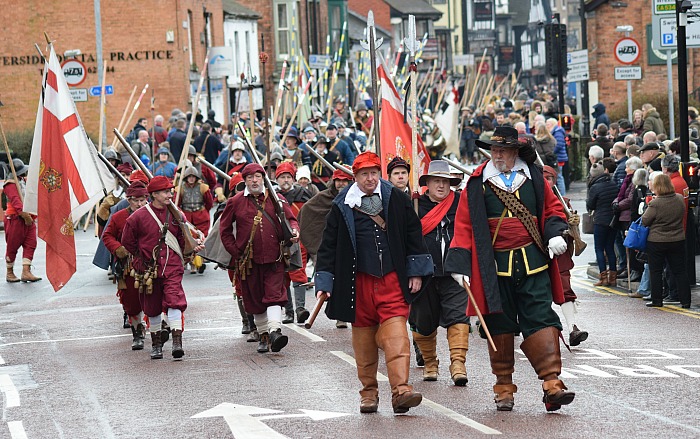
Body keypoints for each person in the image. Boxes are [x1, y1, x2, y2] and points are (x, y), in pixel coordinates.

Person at [444, 127, 575, 412]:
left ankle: (552, 383)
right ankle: (503, 387)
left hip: (534, 261)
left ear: (515, 152)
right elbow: (464, 225)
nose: (497, 154)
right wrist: (459, 263)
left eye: (503, 150)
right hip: (494, 267)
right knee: (499, 324)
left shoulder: (536, 178)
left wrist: (555, 233)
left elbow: (553, 210)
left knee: (541, 317)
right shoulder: (477, 183)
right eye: (494, 150)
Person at [315, 151, 433, 414]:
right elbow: (328, 245)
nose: (370, 179)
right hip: (357, 285)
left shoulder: (396, 199)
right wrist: (325, 279)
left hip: (392, 280)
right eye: (364, 174)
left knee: (397, 336)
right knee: (364, 344)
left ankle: (401, 391)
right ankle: (368, 394)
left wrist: (415, 270)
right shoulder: (341, 205)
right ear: (354, 177)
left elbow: (414, 234)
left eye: (373, 173)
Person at [219, 164, 300, 353]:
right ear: (245, 181)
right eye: (250, 177)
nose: (254, 180)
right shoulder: (235, 201)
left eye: (257, 176)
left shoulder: (276, 198)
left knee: (274, 295)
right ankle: (264, 336)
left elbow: (291, 220)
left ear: (263, 178)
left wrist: (294, 231)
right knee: (255, 299)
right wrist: (237, 252)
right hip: (248, 261)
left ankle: (275, 331)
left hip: (275, 258)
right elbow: (224, 230)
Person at [122, 176, 203, 360]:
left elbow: (183, 240)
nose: (170, 194)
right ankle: (156, 345)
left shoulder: (177, 214)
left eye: (170, 191)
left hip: (173, 266)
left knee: (175, 301)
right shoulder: (137, 217)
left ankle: (177, 343)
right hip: (148, 269)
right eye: (166, 192)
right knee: (151, 307)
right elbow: (127, 241)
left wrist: (192, 247)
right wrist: (142, 255)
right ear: (154, 194)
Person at [410, 160, 471, 385]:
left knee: (459, 317)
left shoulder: (461, 204)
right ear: (428, 183)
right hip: (424, 275)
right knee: (423, 322)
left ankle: (458, 364)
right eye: (436, 181)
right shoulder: (415, 206)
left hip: (455, 273)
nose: (441, 186)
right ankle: (429, 362)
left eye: (445, 182)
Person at [542, 166, 588, 346]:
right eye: (543, 178)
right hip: (536, 251)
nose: (547, 182)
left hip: (559, 254)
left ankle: (572, 328)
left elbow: (572, 236)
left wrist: (573, 227)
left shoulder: (564, 202)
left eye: (550, 178)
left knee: (565, 290)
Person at [102, 182, 150, 350]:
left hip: (151, 264)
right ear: (128, 200)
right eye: (135, 200)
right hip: (128, 266)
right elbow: (107, 236)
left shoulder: (154, 214)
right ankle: (137, 333)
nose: (139, 204)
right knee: (131, 301)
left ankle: (159, 332)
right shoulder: (118, 217)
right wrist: (118, 249)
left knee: (156, 298)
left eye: (142, 200)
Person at [642, 174, 691, 309]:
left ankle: (657, 300)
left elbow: (645, 221)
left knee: (656, 271)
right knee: (680, 271)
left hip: (657, 241)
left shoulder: (655, 203)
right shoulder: (679, 199)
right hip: (677, 239)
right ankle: (685, 301)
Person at [274, 162, 313, 324]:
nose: (285, 180)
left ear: (293, 178)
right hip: (279, 242)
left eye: (288, 177)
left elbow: (312, 217)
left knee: (298, 273)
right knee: (283, 277)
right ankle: (289, 312)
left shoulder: (303, 196)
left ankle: (300, 309)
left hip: (299, 241)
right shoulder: (272, 196)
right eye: (282, 177)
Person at [3, 159, 42, 283]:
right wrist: (25, 216)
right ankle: (9, 272)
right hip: (15, 219)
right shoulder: (9, 184)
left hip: (29, 217)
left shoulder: (23, 181)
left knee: (31, 243)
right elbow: (16, 202)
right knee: (12, 246)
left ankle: (26, 271)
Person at [586, 159, 619, 286]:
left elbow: (590, 204)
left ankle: (603, 278)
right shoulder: (613, 184)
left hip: (600, 221)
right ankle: (613, 278)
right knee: (610, 248)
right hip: (613, 220)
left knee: (599, 249)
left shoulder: (595, 187)